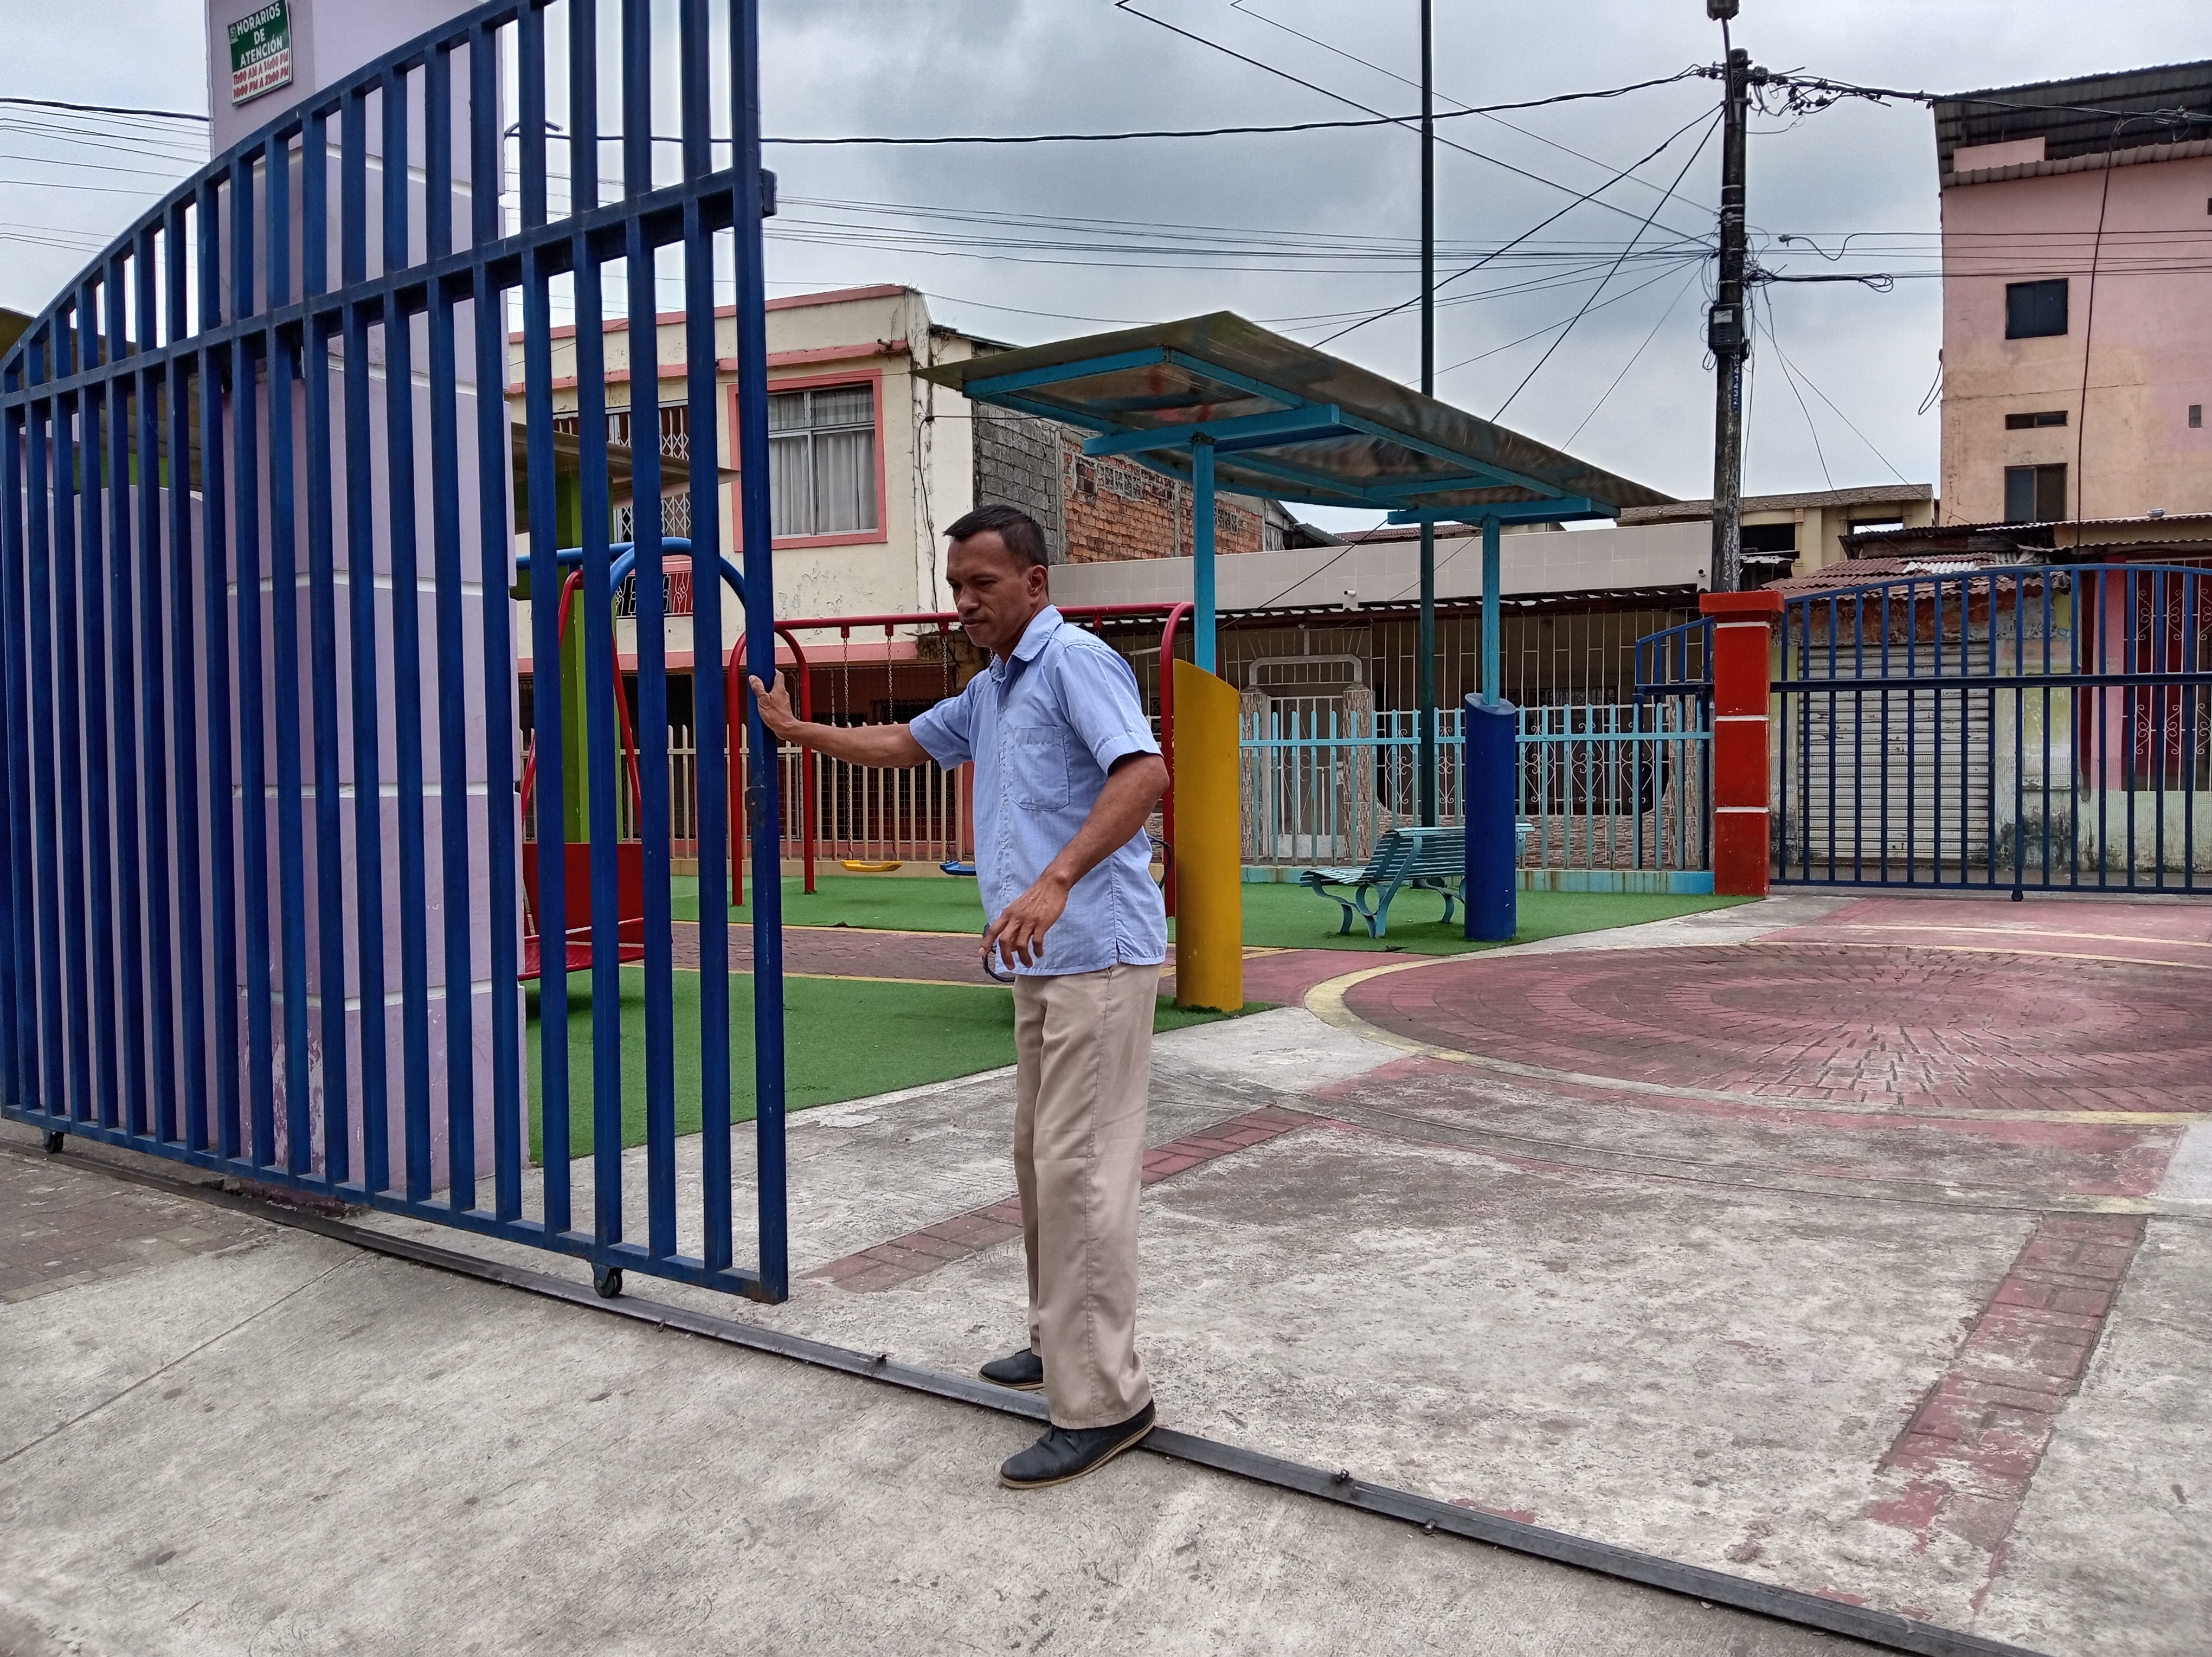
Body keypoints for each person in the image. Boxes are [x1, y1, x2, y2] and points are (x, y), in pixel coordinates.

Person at [749, 503, 1170, 1489]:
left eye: (983, 584)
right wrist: (799, 730)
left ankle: (1106, 1401)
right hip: (1042, 964)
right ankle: (1058, 1341)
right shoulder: (995, 687)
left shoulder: (1074, 663)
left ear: (1035, 582)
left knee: (1080, 1172)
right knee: (1040, 1161)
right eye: (956, 587)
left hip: (1096, 956)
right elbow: (907, 742)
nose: (966, 603)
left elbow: (1144, 774)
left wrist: (1057, 879)